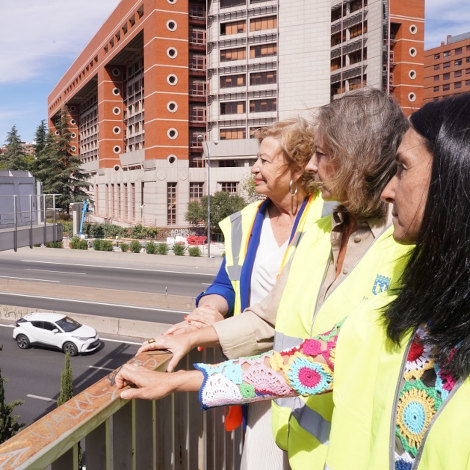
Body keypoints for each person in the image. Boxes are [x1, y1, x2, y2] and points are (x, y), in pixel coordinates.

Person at [116, 94, 470, 469]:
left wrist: (183, 379)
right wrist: (182, 373)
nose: (389, 188)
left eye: (403, 167)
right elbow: (312, 362)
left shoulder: (402, 259)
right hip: (297, 442)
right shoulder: (325, 234)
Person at [167, 118, 325, 470]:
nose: (254, 168)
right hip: (259, 368)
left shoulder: (328, 219)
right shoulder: (246, 221)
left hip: (314, 371)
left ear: (297, 169)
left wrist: (204, 336)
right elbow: (226, 283)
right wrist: (210, 309)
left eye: (265, 161)